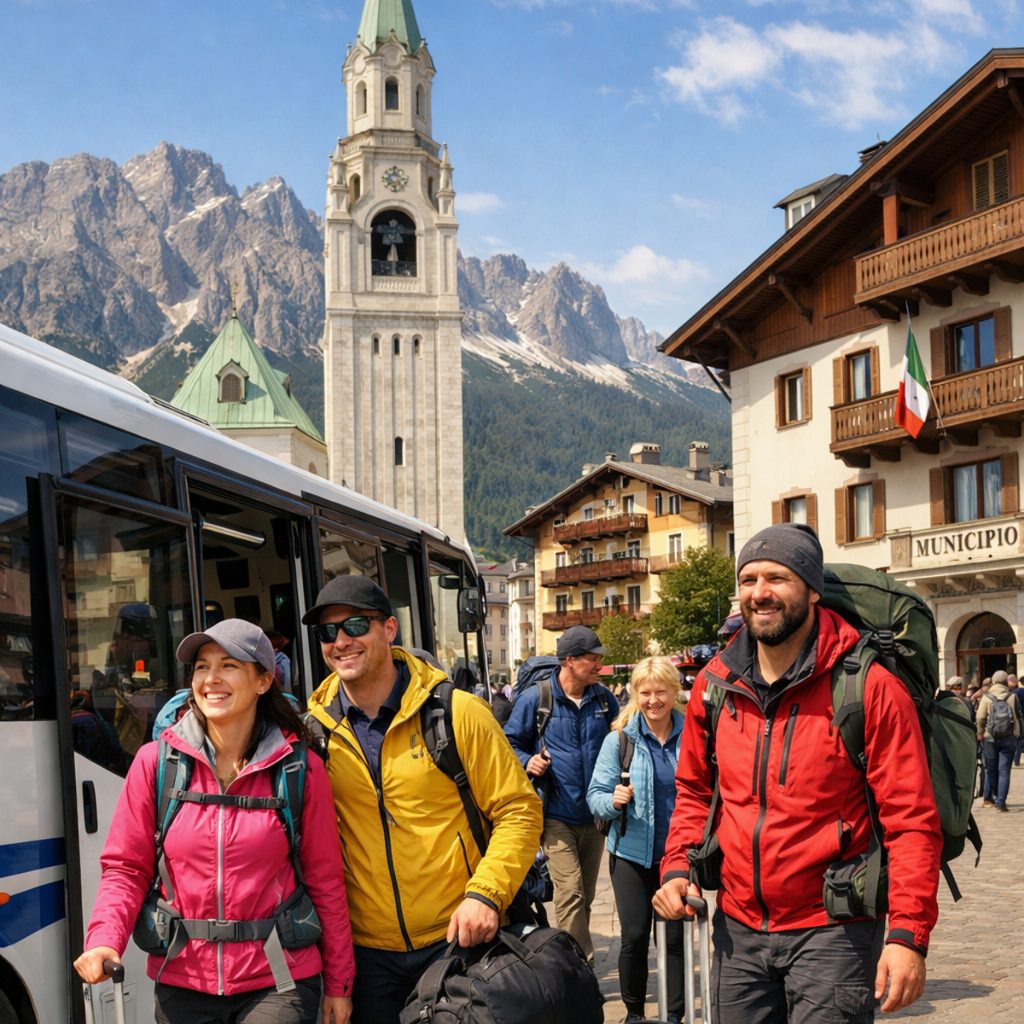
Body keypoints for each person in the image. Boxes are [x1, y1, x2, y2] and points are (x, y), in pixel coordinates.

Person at [653, 524, 942, 1023]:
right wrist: (678, 867)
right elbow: (695, 792)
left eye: (777, 578)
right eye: (748, 580)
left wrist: (907, 935)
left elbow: (911, 818)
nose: (759, 592)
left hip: (834, 929)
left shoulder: (869, 687)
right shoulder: (714, 685)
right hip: (738, 928)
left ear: (811, 590)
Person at [75, 618, 354, 1024]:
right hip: (183, 978)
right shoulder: (156, 763)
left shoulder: (300, 769)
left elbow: (325, 881)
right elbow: (125, 868)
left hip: (280, 977)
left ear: (263, 681)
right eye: (202, 667)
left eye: (228, 665)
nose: (211, 679)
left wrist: (339, 983)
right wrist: (104, 939)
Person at [303, 576, 543, 1024]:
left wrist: (486, 895)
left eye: (355, 625)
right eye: (327, 631)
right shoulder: (314, 733)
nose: (340, 641)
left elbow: (519, 810)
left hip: (459, 940)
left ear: (389, 629)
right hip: (368, 957)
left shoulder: (456, 712)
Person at [503, 624, 619, 963]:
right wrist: (528, 760)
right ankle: (577, 969)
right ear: (569, 660)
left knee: (585, 897)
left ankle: (573, 960)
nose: (599, 665)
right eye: (592, 659)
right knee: (570, 894)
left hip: (596, 816)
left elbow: (623, 738)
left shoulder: (604, 699)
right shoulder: (537, 699)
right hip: (555, 814)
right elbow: (508, 742)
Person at [588, 656, 685, 1024]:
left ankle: (673, 1015)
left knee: (672, 939)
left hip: (676, 856)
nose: (653, 700)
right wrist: (612, 801)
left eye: (661, 691)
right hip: (630, 854)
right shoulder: (620, 740)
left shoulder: (693, 735)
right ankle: (634, 1015)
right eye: (645, 693)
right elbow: (595, 795)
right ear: (635, 695)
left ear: (674, 692)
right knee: (634, 935)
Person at [977, 668, 1020, 811]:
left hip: (989, 737)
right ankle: (1001, 802)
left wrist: (980, 732)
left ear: (994, 681)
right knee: (1004, 771)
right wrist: (1017, 734)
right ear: (1005, 681)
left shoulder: (987, 697)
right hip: (1008, 737)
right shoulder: (1012, 696)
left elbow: (980, 717)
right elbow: (1018, 716)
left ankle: (991, 796)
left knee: (991, 769)